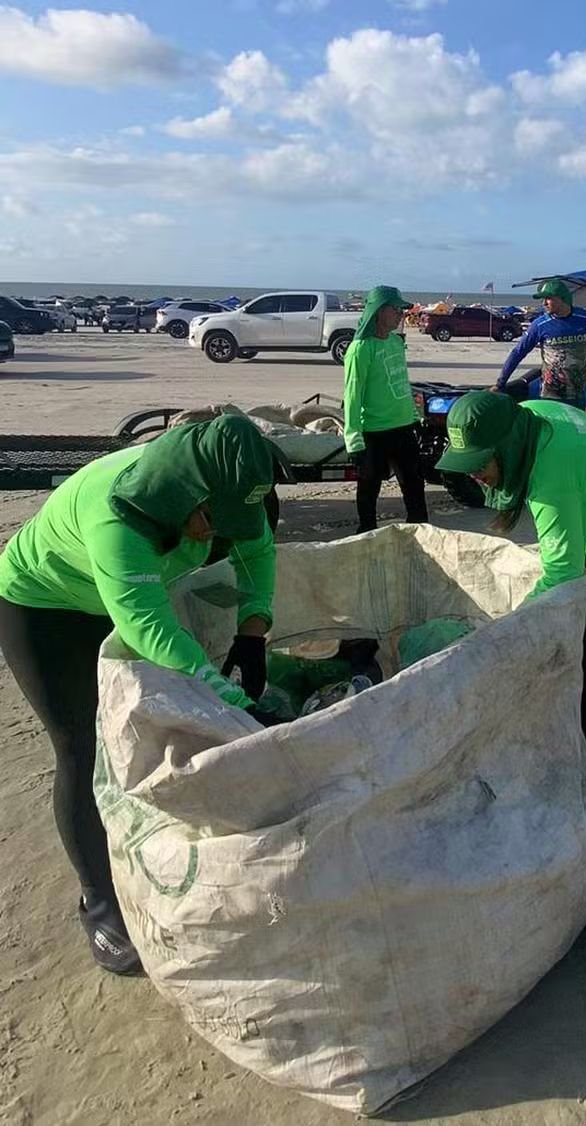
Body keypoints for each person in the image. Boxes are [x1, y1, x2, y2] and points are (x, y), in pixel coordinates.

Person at [0, 415, 280, 975]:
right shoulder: (116, 519)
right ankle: (99, 907)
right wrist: (238, 705)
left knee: (149, 730)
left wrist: (254, 630)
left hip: (122, 600)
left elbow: (259, 551)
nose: (213, 532)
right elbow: (152, 632)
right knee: (82, 745)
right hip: (45, 609)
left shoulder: (224, 491)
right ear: (181, 491)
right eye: (208, 519)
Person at [435, 391, 586, 775]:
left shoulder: (554, 473)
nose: (474, 473)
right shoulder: (528, 416)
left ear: (507, 444)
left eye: (481, 461)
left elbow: (561, 574)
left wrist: (501, 632)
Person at [343, 284, 429, 533]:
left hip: (403, 427)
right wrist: (353, 439)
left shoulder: (395, 342)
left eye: (402, 310)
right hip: (374, 430)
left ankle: (419, 532)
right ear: (379, 312)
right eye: (395, 310)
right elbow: (352, 395)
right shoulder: (360, 349)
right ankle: (367, 532)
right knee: (369, 487)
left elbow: (401, 383)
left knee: (414, 485)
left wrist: (415, 417)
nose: (401, 315)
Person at [495, 279, 586, 409]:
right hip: (550, 395)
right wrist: (500, 383)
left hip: (578, 393)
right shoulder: (539, 325)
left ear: (562, 298)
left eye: (548, 298)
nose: (544, 303)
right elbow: (518, 352)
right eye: (543, 299)